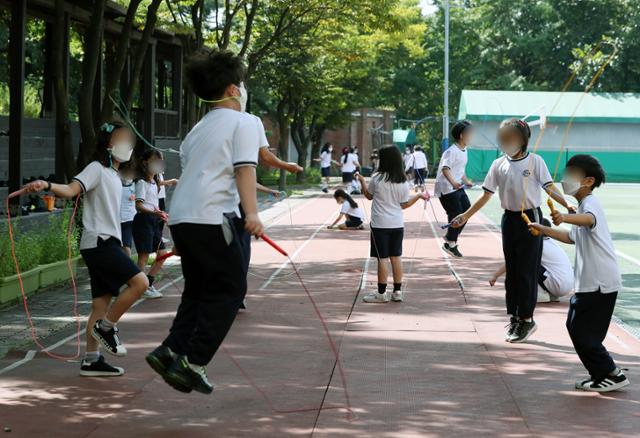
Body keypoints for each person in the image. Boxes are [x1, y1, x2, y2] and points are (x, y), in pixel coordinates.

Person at [145, 49, 263, 394]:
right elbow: (245, 168)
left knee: (198, 289)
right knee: (230, 289)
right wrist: (252, 213)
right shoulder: (244, 122)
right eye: (241, 84)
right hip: (213, 217)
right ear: (231, 89)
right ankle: (193, 362)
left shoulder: (198, 128)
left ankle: (170, 349)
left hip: (182, 218)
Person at [23, 121, 148, 376]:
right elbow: (70, 190)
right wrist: (46, 185)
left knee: (100, 304)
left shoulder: (114, 175)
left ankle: (92, 360)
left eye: (130, 141)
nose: (128, 145)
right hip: (98, 242)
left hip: (107, 242)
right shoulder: (96, 169)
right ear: (108, 143)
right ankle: (106, 328)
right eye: (122, 139)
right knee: (141, 283)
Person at [451, 118, 573, 343]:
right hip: (509, 220)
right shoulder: (499, 164)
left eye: (510, 137)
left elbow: (549, 187)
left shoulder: (535, 162)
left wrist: (566, 205)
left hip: (531, 218)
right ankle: (515, 317)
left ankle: (527, 319)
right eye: (502, 137)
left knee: (526, 270)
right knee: (513, 272)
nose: (504, 141)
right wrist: (465, 216)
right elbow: (486, 194)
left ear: (523, 140)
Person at [529, 155, 629, 392]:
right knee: (578, 328)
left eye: (572, 174)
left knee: (581, 330)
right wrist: (545, 229)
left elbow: (588, 220)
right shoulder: (583, 207)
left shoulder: (590, 204)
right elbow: (571, 236)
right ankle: (602, 373)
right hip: (591, 283)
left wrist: (564, 216)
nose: (565, 179)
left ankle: (610, 373)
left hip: (599, 282)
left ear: (588, 181)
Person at [356, 146, 429, 304]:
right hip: (397, 224)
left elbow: (368, 196)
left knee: (382, 258)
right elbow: (404, 205)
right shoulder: (403, 182)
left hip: (380, 224)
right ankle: (397, 291)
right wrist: (418, 196)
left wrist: (362, 181)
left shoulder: (377, 178)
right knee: (396, 257)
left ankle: (381, 293)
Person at [490, 219, 574, 303]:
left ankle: (540, 294)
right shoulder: (552, 242)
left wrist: (495, 275)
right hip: (567, 286)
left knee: (524, 262)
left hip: (557, 285)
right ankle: (553, 295)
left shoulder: (535, 245)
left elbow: (513, 260)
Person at [133, 149, 170, 299]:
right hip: (143, 221)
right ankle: (139, 287)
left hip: (154, 221)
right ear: (145, 163)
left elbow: (152, 204)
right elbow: (139, 206)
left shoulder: (155, 183)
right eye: (155, 161)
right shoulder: (141, 182)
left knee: (162, 254)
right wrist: (155, 213)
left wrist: (159, 213)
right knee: (143, 256)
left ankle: (148, 282)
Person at [435, 120, 474, 258]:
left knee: (467, 211)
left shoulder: (464, 150)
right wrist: (454, 183)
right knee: (456, 212)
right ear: (462, 136)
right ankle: (451, 242)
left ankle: (450, 240)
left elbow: (460, 170)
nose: (472, 136)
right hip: (446, 188)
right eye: (470, 133)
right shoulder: (451, 151)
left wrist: (466, 181)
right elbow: (446, 169)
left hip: (457, 186)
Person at [119, 162, 137, 257]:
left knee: (126, 246)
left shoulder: (135, 184)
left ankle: (128, 267)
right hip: (116, 219)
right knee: (118, 246)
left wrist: (136, 196)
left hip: (130, 219)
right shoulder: (116, 184)